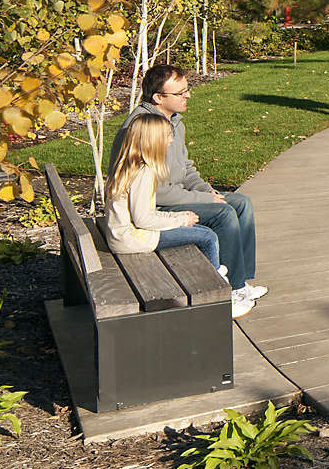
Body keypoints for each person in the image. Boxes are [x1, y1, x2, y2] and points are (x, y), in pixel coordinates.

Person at [111, 63, 263, 310]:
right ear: (158, 98)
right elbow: (157, 192)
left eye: (187, 89)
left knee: (241, 203)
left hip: (174, 196)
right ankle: (229, 290)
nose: (188, 95)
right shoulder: (145, 129)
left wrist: (206, 191)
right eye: (180, 92)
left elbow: (186, 168)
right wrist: (206, 201)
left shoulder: (173, 122)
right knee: (223, 214)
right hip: (155, 207)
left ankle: (240, 281)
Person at [105, 113, 252, 320]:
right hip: (134, 239)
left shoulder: (131, 165)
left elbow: (141, 213)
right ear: (153, 141)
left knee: (200, 231)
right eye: (167, 136)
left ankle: (218, 282)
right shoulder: (144, 173)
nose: (171, 140)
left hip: (125, 235)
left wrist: (180, 216)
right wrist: (181, 220)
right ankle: (216, 298)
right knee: (207, 237)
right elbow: (143, 220)